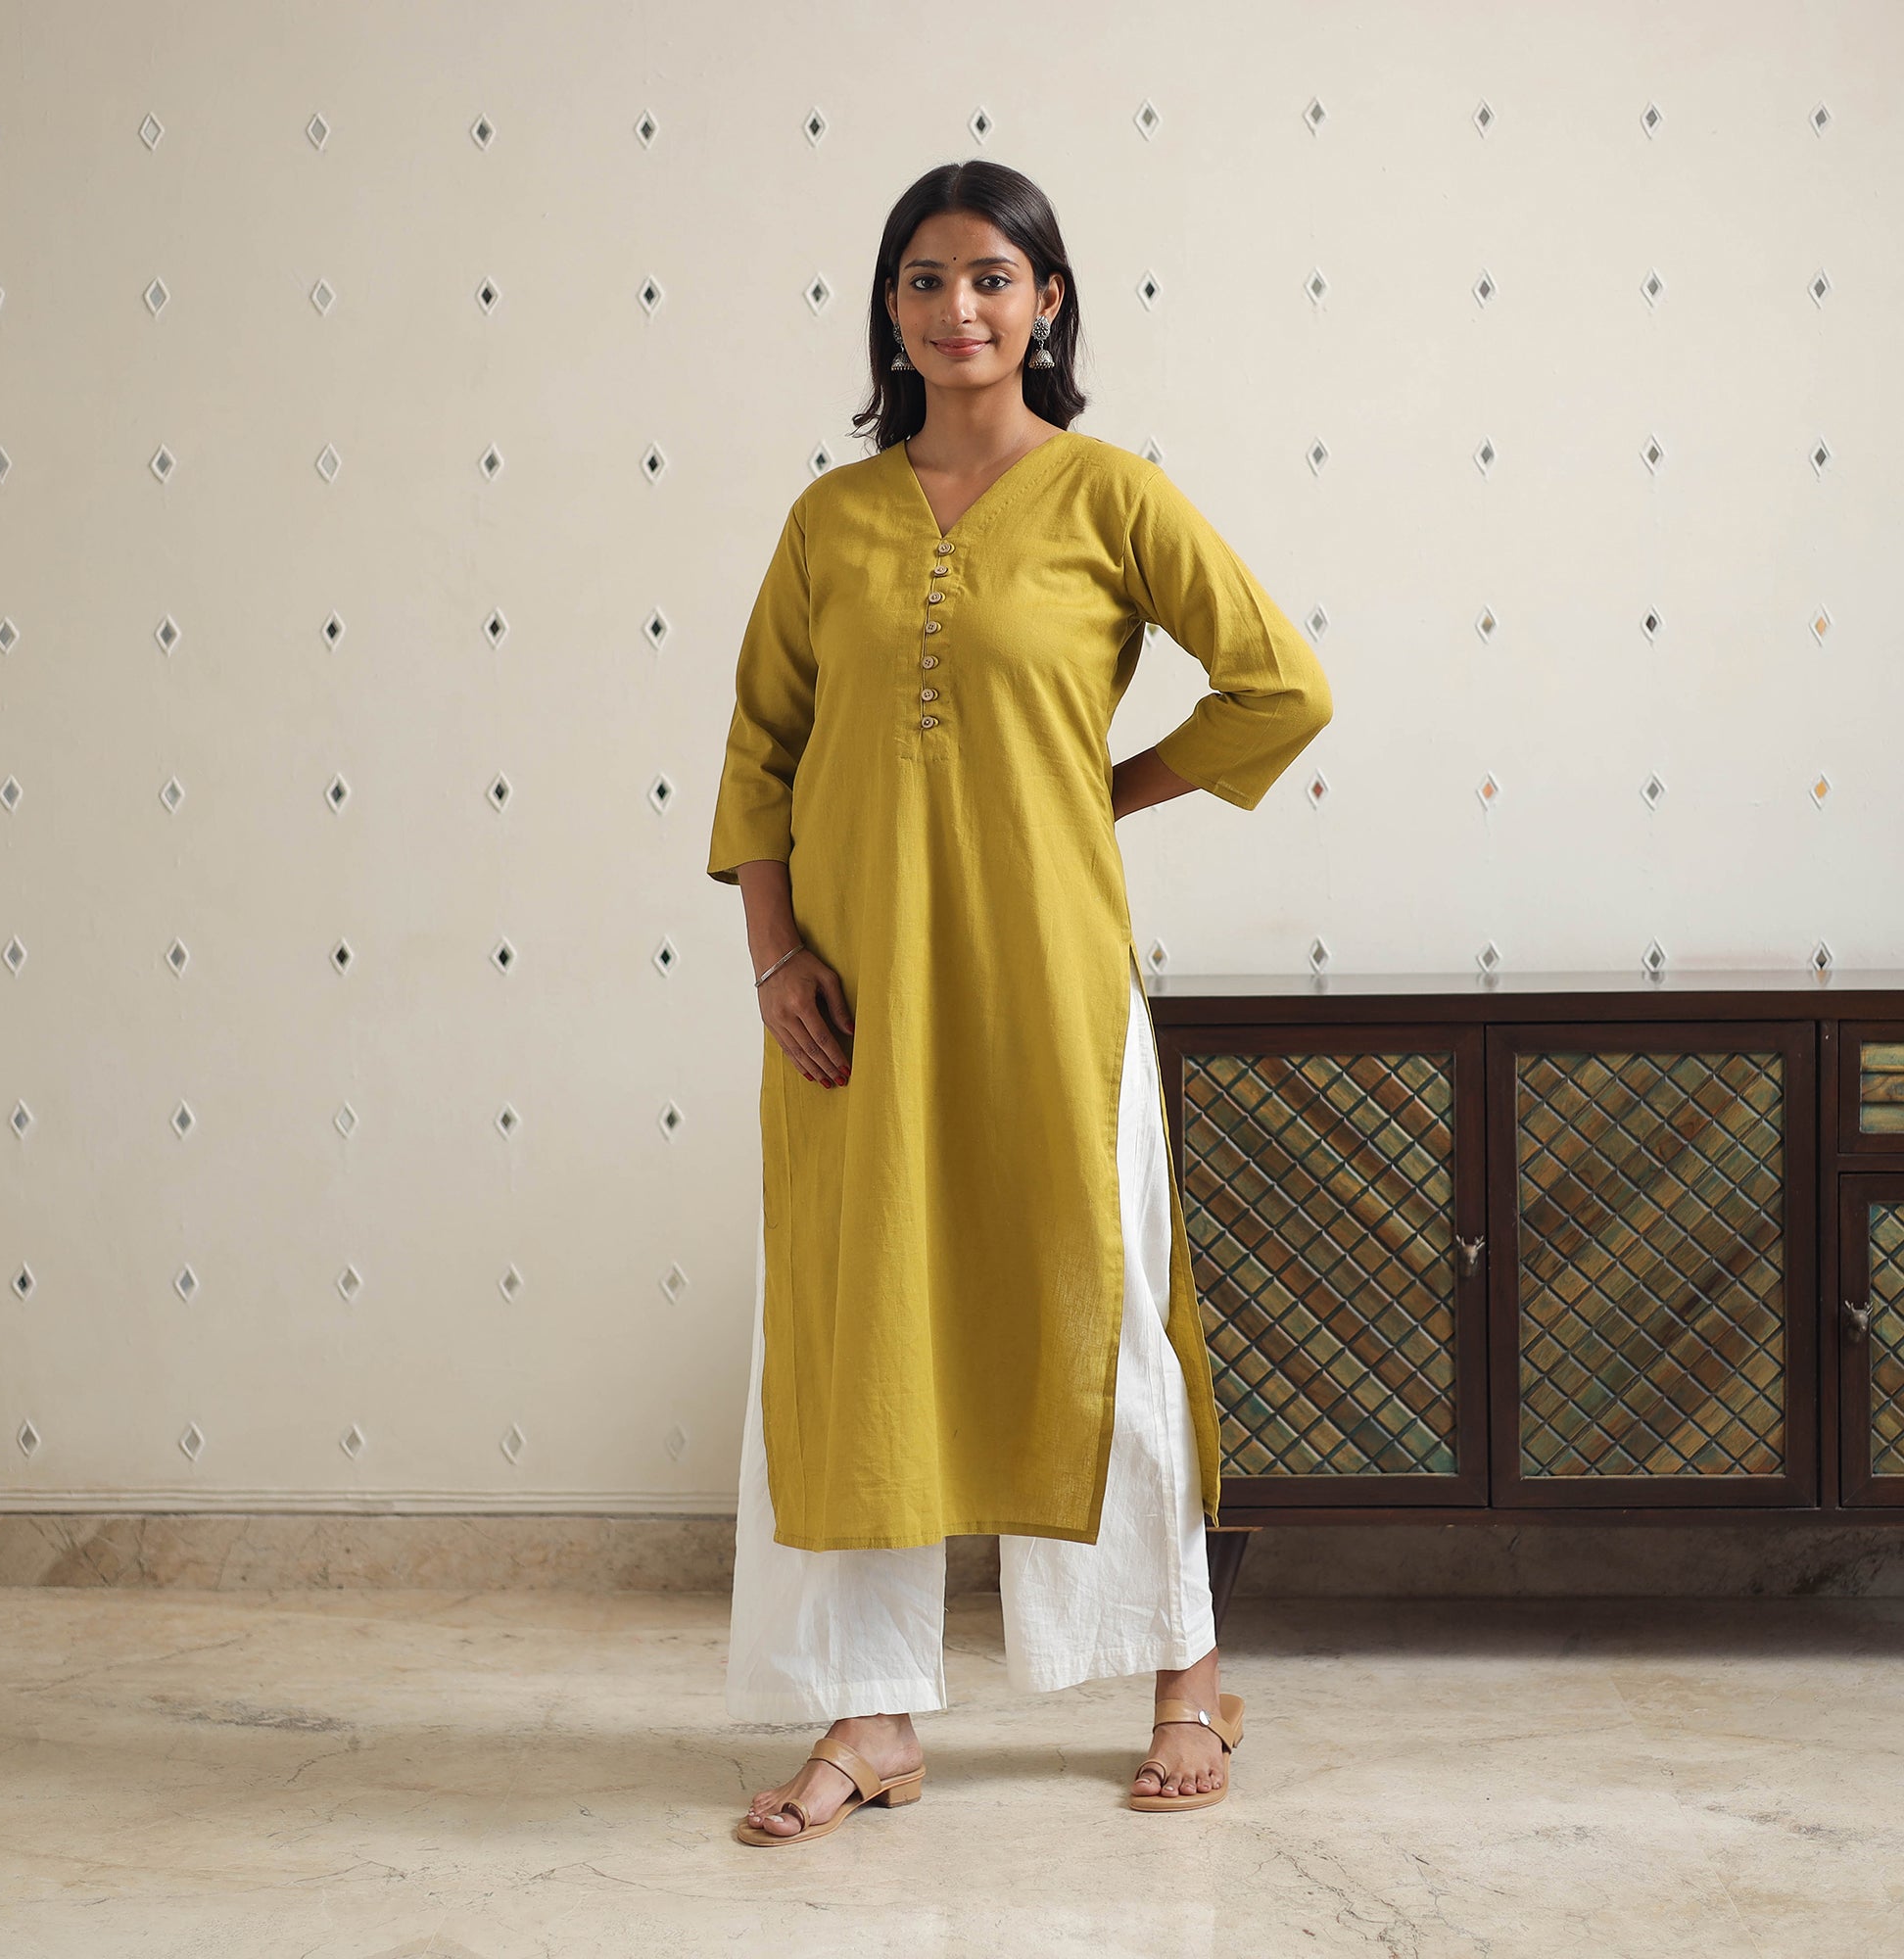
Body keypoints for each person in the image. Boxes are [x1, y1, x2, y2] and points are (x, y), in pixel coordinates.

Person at [705, 160, 1333, 1843]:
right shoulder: (830, 521)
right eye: (924, 279)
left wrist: (1100, 791)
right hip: (854, 992)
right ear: (890, 308)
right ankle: (871, 1715)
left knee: (1097, 1313)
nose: (957, 309)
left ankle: (1185, 1673)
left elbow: (1281, 686)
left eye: (991, 277)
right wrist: (774, 954)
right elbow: (760, 752)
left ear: (1047, 302)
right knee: (861, 1326)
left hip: (1050, 977)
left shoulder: (1111, 496)